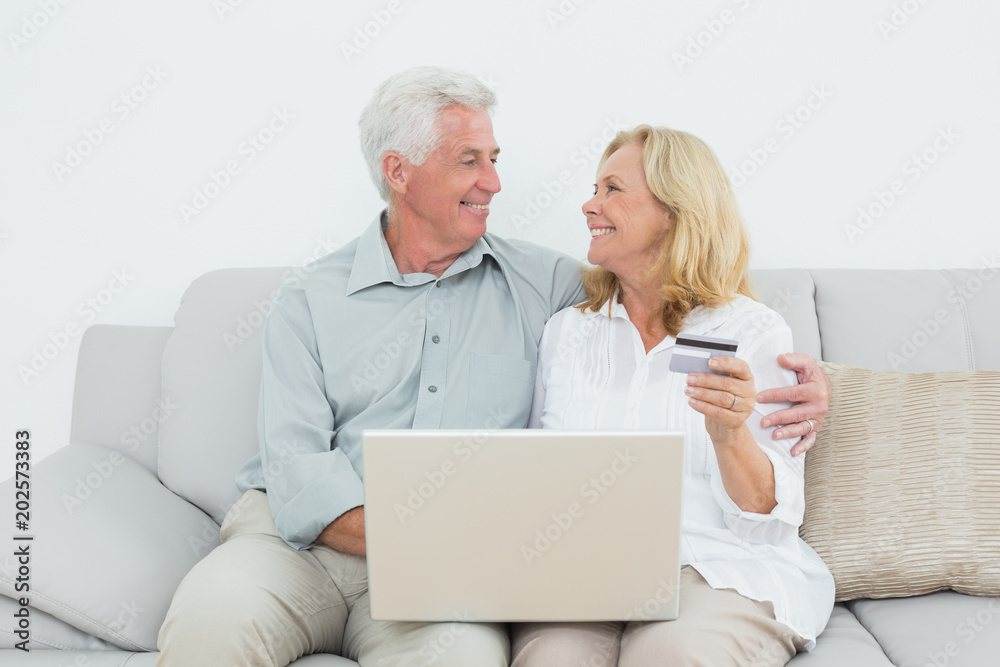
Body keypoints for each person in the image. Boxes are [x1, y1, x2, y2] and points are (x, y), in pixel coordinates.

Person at [156, 68, 831, 667]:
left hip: (448, 573)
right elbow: (298, 471)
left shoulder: (544, 285)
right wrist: (447, 538)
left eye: (495, 158)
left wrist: (815, 385)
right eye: (469, 160)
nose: (495, 182)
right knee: (212, 624)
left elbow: (665, 294)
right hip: (297, 549)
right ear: (400, 171)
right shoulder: (310, 298)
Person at [509, 126, 835, 667]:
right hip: (585, 574)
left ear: (675, 208)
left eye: (613, 189)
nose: (590, 204)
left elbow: (767, 520)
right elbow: (536, 467)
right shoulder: (568, 331)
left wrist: (730, 435)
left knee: (672, 654)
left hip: (716, 568)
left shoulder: (751, 330)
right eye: (595, 188)